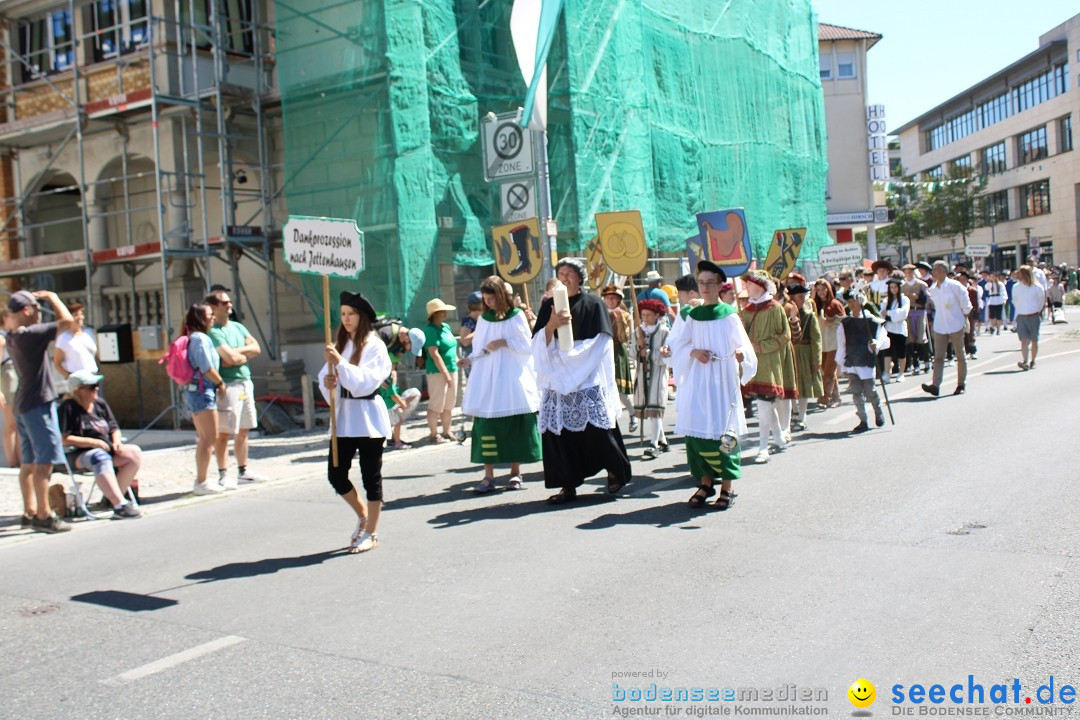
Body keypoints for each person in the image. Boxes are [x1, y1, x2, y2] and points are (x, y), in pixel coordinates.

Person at [532, 258, 631, 505]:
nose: (564, 277)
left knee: (598, 430)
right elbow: (536, 344)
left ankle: (614, 470)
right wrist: (552, 325)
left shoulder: (594, 304)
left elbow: (601, 342)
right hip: (557, 380)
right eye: (560, 273)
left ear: (579, 278)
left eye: (569, 273)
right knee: (560, 434)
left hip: (585, 375)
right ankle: (567, 484)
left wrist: (570, 360)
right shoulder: (548, 307)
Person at [673, 261, 756, 510]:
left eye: (710, 282)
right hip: (699, 380)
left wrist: (742, 354)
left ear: (720, 285)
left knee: (725, 433)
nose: (705, 287)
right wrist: (693, 351)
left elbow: (743, 345)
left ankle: (727, 487)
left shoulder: (729, 315)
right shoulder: (693, 316)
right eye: (701, 283)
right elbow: (680, 345)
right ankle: (705, 482)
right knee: (696, 430)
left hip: (722, 380)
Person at [318, 291, 390, 553]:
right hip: (344, 418)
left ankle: (371, 532)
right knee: (336, 474)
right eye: (344, 314)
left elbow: (363, 383)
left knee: (371, 477)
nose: (346, 319)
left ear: (362, 317)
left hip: (368, 417)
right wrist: (328, 383)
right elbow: (325, 378)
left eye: (351, 314)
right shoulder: (341, 343)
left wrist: (340, 365)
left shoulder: (375, 345)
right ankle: (363, 515)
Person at [460, 276, 541, 492]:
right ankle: (488, 475)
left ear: (501, 295)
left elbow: (527, 346)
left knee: (514, 423)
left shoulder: (516, 316)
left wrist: (504, 342)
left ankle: (515, 472)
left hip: (511, 376)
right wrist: (468, 360)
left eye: (491, 298)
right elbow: (479, 349)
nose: (488, 303)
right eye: (485, 299)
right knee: (486, 423)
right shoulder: (484, 319)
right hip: (489, 378)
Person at [6, 290, 74, 532]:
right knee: (44, 463)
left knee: (28, 462)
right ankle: (44, 515)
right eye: (37, 309)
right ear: (27, 310)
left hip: (23, 403)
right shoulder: (31, 335)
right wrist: (54, 297)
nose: (39, 314)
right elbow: (68, 322)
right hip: (38, 404)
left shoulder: (14, 336)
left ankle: (30, 510)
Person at [57, 369, 142, 518]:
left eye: (96, 385)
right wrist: (93, 442)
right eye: (91, 386)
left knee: (134, 453)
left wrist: (116, 442)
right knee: (99, 456)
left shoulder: (100, 404)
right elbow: (64, 438)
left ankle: (115, 497)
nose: (96, 388)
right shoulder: (68, 407)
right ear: (78, 391)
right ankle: (119, 505)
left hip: (107, 448)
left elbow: (114, 427)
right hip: (79, 453)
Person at [206, 288, 263, 487]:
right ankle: (223, 473)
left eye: (229, 302)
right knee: (224, 432)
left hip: (245, 382)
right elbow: (227, 359)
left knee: (244, 429)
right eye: (223, 302)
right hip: (228, 385)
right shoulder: (213, 332)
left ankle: (243, 469)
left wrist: (237, 356)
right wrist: (238, 356)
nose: (229, 305)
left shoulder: (238, 327)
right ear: (213, 307)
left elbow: (256, 348)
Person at [739, 272, 795, 463]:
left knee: (764, 404)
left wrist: (761, 347)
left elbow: (784, 335)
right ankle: (778, 437)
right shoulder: (745, 310)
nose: (747, 287)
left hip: (770, 364)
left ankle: (763, 448)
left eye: (750, 284)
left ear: (760, 287)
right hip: (752, 366)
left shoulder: (775, 308)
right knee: (765, 405)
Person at [180, 303, 229, 495]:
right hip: (203, 390)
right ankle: (202, 481)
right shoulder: (200, 339)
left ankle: (202, 480)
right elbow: (206, 367)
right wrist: (220, 383)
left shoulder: (193, 337)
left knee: (205, 438)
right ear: (201, 318)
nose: (213, 317)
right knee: (209, 438)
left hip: (196, 390)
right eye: (209, 314)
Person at [835, 289, 889, 433]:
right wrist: (841, 363)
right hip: (852, 360)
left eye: (854, 301)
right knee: (856, 392)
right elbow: (842, 344)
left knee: (870, 391)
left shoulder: (872, 321)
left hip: (866, 360)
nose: (851, 304)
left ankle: (878, 412)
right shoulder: (845, 323)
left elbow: (883, 339)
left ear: (861, 302)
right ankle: (863, 420)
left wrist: (876, 344)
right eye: (849, 301)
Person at [922, 261, 972, 398]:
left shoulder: (955, 286)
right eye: (933, 270)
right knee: (938, 357)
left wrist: (964, 319)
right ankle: (935, 385)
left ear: (944, 271)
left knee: (960, 355)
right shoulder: (933, 288)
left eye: (937, 270)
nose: (934, 272)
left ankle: (961, 384)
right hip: (940, 326)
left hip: (956, 324)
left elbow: (966, 305)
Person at [633, 298, 670, 458]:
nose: (645, 318)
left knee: (655, 409)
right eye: (643, 315)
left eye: (649, 315)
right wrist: (637, 348)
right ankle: (663, 441)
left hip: (658, 375)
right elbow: (631, 353)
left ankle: (653, 444)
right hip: (642, 375)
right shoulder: (637, 332)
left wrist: (648, 353)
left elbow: (667, 357)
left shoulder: (665, 332)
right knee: (649, 409)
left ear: (657, 315)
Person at [423, 297, 459, 443]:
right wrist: (446, 374)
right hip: (438, 371)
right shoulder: (430, 330)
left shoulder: (446, 327)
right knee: (436, 403)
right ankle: (434, 434)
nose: (444, 312)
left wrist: (458, 361)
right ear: (435, 314)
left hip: (452, 368)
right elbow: (434, 353)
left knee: (449, 403)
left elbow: (451, 347)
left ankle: (447, 431)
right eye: (441, 310)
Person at [601, 285, 636, 432]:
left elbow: (624, 338)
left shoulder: (626, 315)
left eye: (613, 298)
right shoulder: (601, 313)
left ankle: (633, 414)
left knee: (620, 391)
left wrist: (620, 320)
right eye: (608, 298)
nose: (610, 300)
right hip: (602, 352)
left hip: (617, 352)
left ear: (618, 300)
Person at [787, 282, 821, 431]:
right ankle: (795, 413)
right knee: (791, 384)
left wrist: (816, 359)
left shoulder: (809, 316)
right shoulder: (785, 313)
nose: (802, 299)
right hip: (791, 351)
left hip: (805, 352)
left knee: (804, 384)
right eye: (799, 296)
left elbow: (816, 339)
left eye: (803, 296)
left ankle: (802, 417)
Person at [813, 279, 845, 408]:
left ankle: (824, 398)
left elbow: (843, 321)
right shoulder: (815, 305)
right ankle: (836, 397)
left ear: (828, 289)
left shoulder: (835, 304)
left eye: (823, 289)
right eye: (818, 290)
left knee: (829, 372)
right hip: (821, 343)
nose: (821, 292)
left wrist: (830, 322)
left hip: (833, 343)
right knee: (826, 371)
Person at [52, 302, 98, 384]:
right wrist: (69, 377)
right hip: (78, 380)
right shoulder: (63, 338)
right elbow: (57, 363)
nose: (80, 317)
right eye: (76, 315)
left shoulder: (89, 333)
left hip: (93, 376)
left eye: (81, 314)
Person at [1013, 266, 1046, 371]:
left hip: (1034, 316)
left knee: (1034, 340)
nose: (1018, 275)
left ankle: (1033, 360)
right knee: (1024, 340)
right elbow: (1015, 301)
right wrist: (1021, 310)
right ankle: (1025, 361)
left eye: (1020, 273)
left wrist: (1036, 310)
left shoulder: (1037, 287)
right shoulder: (1016, 287)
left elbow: (1041, 301)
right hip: (1022, 316)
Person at [901, 264, 930, 376]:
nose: (908, 274)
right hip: (908, 312)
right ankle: (915, 363)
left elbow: (927, 299)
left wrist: (917, 298)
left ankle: (927, 361)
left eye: (910, 271)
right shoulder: (902, 286)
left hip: (919, 311)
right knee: (910, 338)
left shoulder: (921, 284)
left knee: (921, 336)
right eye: (906, 272)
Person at [0, 309, 20, 467]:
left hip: (17, 374)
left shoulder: (12, 334)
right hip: (8, 376)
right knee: (11, 422)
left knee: (18, 421)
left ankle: (20, 459)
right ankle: (12, 460)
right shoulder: (1, 337)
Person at [881, 274, 910, 383]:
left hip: (900, 329)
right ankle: (887, 373)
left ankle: (901, 373)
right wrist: (889, 314)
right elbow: (881, 313)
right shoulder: (886, 300)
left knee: (901, 352)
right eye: (891, 287)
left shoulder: (904, 299)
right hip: (888, 328)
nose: (893, 289)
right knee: (887, 352)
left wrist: (889, 313)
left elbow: (903, 313)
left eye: (895, 287)